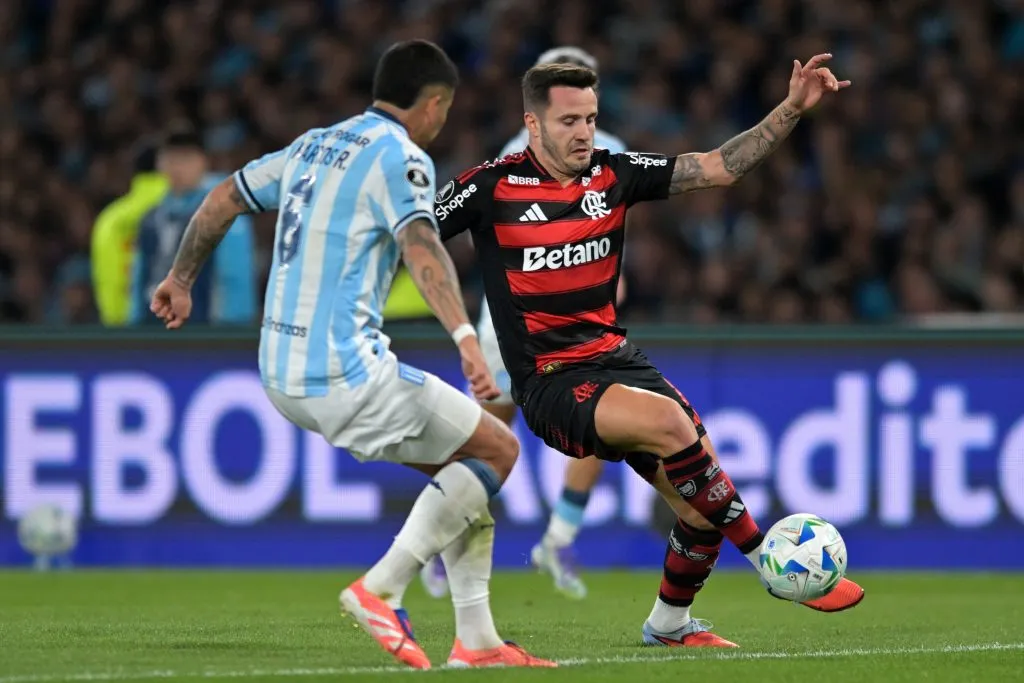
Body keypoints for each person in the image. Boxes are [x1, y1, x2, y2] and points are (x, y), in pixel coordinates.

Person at [146, 40, 554, 670]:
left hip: (279, 369)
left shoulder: (314, 144)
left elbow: (225, 195)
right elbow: (423, 247)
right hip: (344, 370)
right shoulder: (401, 157)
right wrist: (466, 340)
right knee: (499, 450)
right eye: (443, 111)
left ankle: (477, 642)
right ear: (434, 103)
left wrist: (180, 278)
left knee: (462, 472)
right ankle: (382, 589)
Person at [433, 55, 864, 648]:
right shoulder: (487, 187)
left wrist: (790, 109)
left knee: (703, 499)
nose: (584, 132)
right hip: (549, 379)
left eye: (590, 118)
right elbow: (413, 233)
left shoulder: (614, 173)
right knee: (670, 425)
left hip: (617, 359)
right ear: (533, 125)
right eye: (568, 122)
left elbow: (716, 168)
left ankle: (668, 625)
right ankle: (768, 559)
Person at [421, 45, 627, 602]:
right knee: (487, 435)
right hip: (511, 328)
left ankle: (557, 539)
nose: (579, 123)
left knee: (598, 432)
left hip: (578, 327)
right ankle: (446, 540)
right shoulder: (520, 158)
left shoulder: (601, 152)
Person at [130, 126, 256, 325]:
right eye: (170, 159)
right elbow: (139, 280)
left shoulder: (224, 212)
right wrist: (134, 328)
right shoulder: (151, 218)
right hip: (153, 334)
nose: (177, 168)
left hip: (202, 335)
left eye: (186, 159)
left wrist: (229, 336)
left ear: (203, 162)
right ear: (159, 164)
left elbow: (234, 280)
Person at [90, 141, 168, 326]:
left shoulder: (109, 220)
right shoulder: (186, 213)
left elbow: (107, 281)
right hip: (181, 332)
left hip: (124, 336)